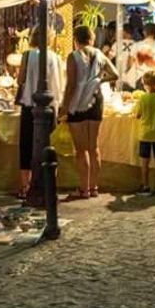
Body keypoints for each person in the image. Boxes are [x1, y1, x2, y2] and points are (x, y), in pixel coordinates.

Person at [60, 25, 116, 201]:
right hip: (96, 99)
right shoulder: (99, 54)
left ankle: (83, 188)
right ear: (91, 38)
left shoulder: (74, 56)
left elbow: (71, 84)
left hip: (78, 102)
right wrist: (98, 80)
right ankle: (94, 187)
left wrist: (63, 106)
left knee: (81, 149)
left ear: (76, 39)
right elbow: (114, 74)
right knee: (94, 146)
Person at [15, 27, 63, 201]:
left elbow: (20, 80)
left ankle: (24, 187)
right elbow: (59, 84)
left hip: (29, 104)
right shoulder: (55, 58)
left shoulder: (27, 56)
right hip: (50, 105)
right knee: (49, 148)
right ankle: (50, 184)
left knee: (26, 146)